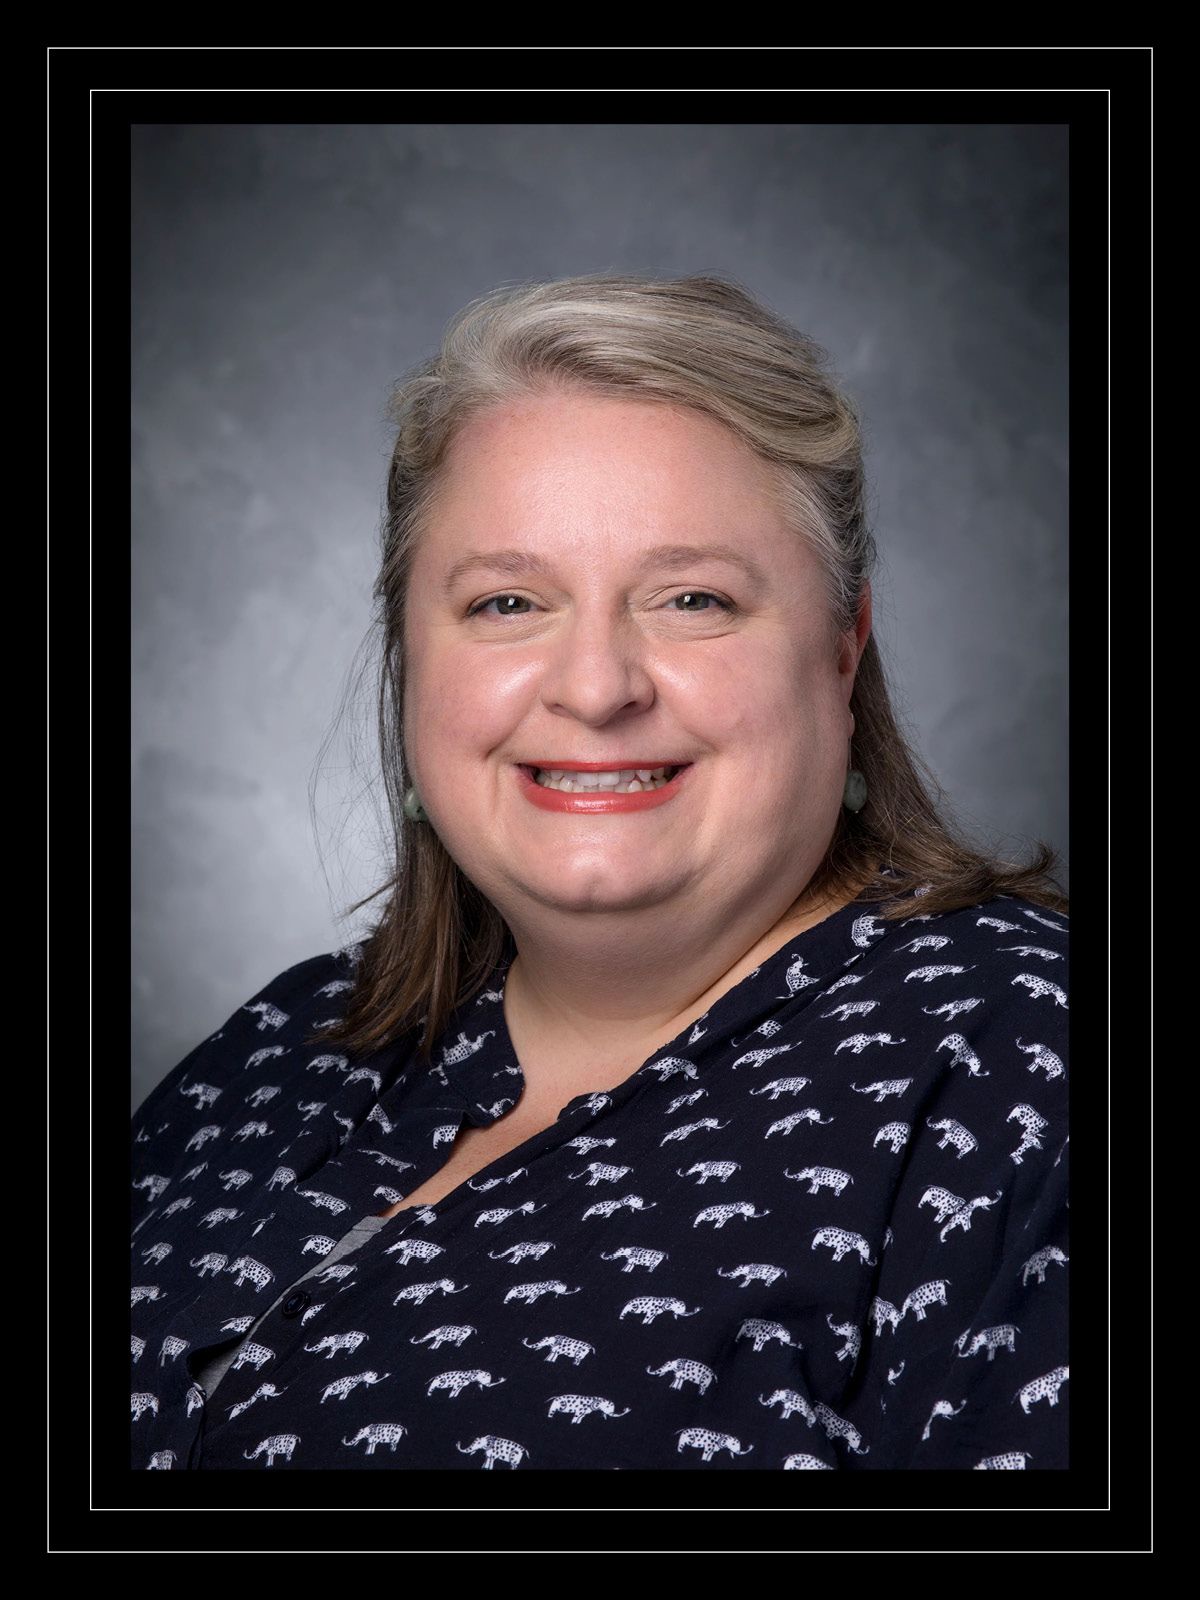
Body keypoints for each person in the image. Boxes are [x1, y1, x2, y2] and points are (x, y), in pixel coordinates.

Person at [131, 272, 1068, 1472]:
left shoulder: (1021, 1066)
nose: (595, 684)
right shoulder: (281, 1046)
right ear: (411, 657)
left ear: (843, 649)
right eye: (507, 600)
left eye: (693, 598)